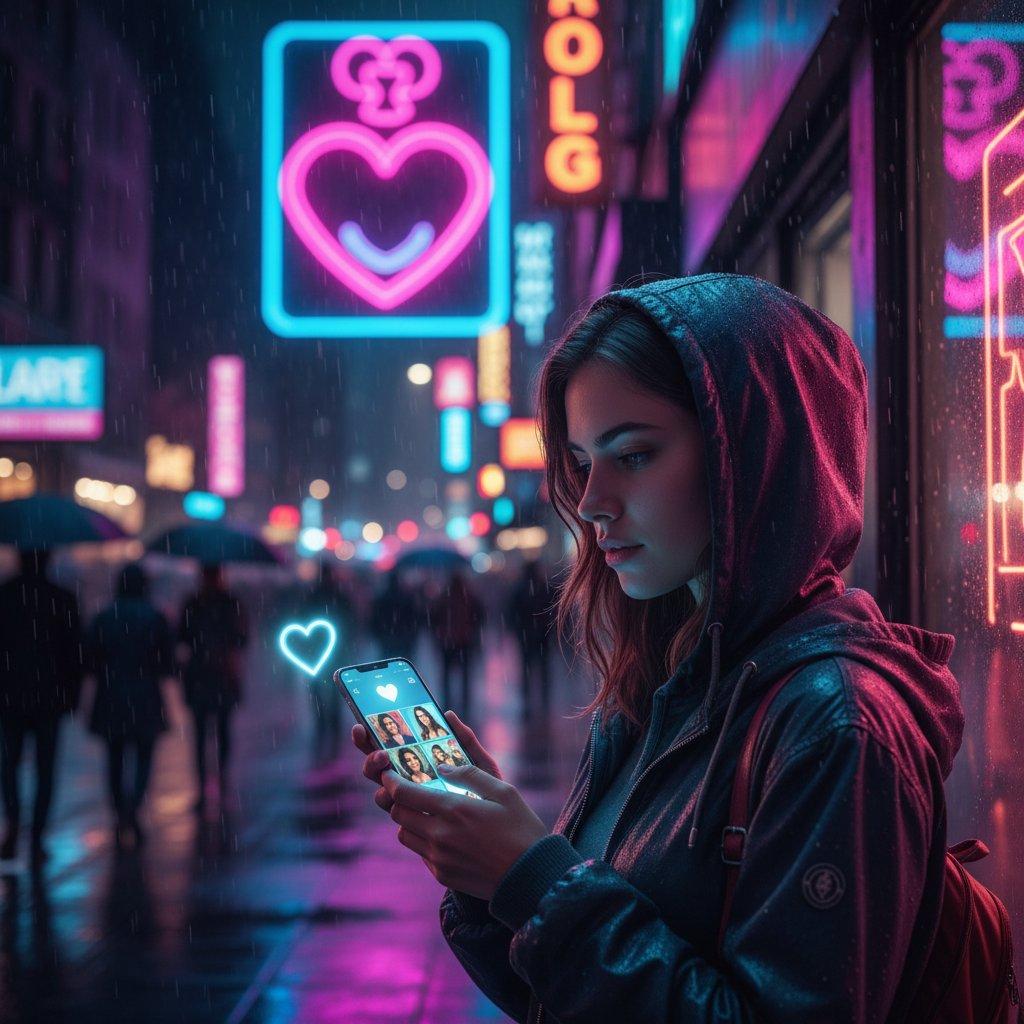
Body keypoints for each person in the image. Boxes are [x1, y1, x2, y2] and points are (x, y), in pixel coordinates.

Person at [352, 275, 967, 1021]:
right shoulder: (666, 682)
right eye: (583, 461)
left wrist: (534, 877)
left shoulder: (836, 723)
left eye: (634, 455)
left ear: (751, 456)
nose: (591, 501)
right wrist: (494, 882)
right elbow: (567, 999)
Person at [0, 549, 82, 863]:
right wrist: (71, 696)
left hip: (9, 696)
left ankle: (12, 827)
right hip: (50, 698)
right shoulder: (61, 599)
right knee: (45, 769)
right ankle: (36, 838)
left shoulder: (5, 595)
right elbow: (74, 654)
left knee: (10, 767)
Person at [85, 563, 173, 849]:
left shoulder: (104, 616)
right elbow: (166, 663)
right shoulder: (155, 617)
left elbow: (89, 658)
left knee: (115, 758)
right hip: (145, 696)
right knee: (144, 758)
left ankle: (119, 811)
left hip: (111, 696)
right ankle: (133, 807)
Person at [177, 563, 249, 812]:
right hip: (221, 676)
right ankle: (220, 781)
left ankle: (205, 787)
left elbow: (182, 636)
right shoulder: (230, 603)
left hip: (201, 676)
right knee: (221, 730)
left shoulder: (193, 603)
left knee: (201, 734)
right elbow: (242, 638)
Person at [505, 559, 557, 721]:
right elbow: (553, 610)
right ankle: (543, 701)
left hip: (528, 636)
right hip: (541, 636)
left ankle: (529, 703)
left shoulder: (520, 588)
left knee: (528, 671)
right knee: (542, 670)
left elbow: (511, 612)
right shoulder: (544, 587)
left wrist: (518, 630)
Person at [427, 569, 483, 718]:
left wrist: (438, 637)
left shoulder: (443, 597)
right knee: (465, 675)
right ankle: (464, 706)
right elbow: (479, 617)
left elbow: (433, 619)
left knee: (446, 674)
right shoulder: (468, 596)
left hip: (447, 641)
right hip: (464, 640)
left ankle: (448, 706)